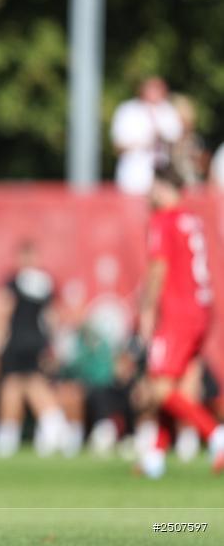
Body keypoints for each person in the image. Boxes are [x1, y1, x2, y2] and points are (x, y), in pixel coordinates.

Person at [137, 165, 224, 478]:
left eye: (152, 187)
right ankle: (155, 457)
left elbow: (158, 268)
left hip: (178, 311)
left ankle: (215, 435)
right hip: (202, 308)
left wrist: (147, 312)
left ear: (162, 187)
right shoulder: (192, 219)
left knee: (159, 388)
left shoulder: (162, 220)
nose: (149, 195)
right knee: (175, 390)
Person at [0, 242, 67, 458]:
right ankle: (51, 427)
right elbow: (52, 316)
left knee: (18, 385)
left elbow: (3, 311)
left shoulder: (15, 283)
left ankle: (10, 435)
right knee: (20, 385)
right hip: (34, 342)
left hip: (19, 342)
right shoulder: (44, 283)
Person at [110, 77, 183, 195]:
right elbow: (118, 145)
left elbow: (177, 138)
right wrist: (144, 142)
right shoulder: (128, 111)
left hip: (163, 174)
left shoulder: (167, 110)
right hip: (135, 173)